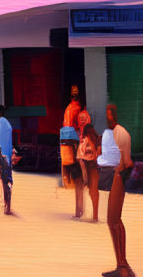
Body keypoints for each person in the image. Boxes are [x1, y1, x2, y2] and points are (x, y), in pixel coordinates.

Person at [101, 104, 134, 277]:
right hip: (118, 176)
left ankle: (122, 267)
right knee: (113, 220)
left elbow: (128, 162)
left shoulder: (119, 132)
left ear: (113, 116)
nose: (106, 118)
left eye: (108, 115)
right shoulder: (117, 132)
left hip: (119, 177)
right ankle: (122, 265)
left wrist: (120, 174)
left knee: (113, 220)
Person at [60, 87, 84, 218]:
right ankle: (79, 209)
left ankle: (78, 209)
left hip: (66, 140)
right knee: (79, 176)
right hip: (74, 141)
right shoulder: (77, 109)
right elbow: (78, 126)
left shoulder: (68, 108)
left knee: (73, 174)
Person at [78, 122, 101, 222]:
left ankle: (86, 214)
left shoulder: (85, 140)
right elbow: (99, 155)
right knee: (94, 192)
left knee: (91, 192)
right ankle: (95, 215)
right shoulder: (97, 140)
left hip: (88, 166)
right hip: (95, 167)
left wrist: (85, 177)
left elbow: (80, 157)